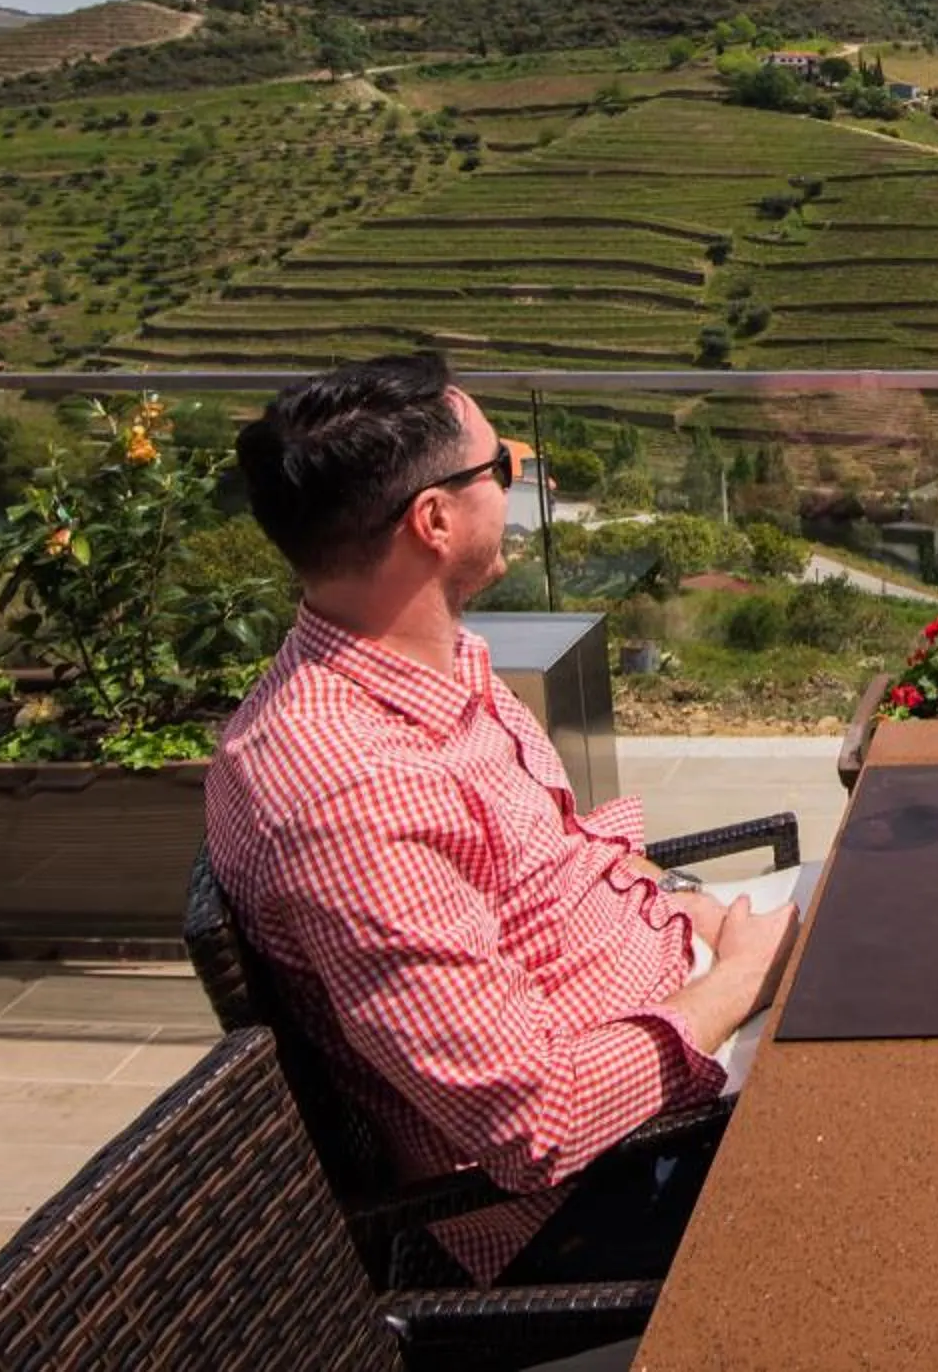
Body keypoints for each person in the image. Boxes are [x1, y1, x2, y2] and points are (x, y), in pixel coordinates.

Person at [209, 352, 800, 1287]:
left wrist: (695, 908)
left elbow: (559, 865)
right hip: (586, 1196)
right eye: (504, 470)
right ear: (434, 520)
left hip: (679, 993)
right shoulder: (348, 791)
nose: (519, 486)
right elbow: (540, 1124)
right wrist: (740, 981)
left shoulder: (435, 669)